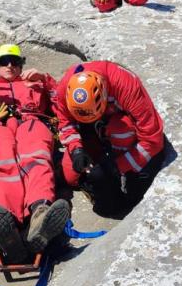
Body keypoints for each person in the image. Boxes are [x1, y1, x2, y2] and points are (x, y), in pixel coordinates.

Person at [0, 44, 70, 263]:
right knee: (2, 165)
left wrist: (46, 80)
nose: (10, 65)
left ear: (21, 65)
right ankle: (6, 220)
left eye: (15, 62)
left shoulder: (35, 86)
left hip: (31, 122)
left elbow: (61, 105)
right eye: (4, 61)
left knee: (36, 160)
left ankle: (39, 214)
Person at [54, 61, 166, 216]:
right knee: (70, 175)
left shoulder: (126, 86)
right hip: (89, 128)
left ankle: (123, 168)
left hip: (119, 123)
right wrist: (76, 150)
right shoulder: (63, 90)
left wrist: (117, 166)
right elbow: (65, 124)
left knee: (120, 129)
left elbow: (153, 139)